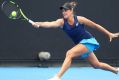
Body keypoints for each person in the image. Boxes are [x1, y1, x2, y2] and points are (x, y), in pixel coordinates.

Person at [32, 1, 119, 80]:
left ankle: (58, 77)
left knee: (69, 53)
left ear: (71, 11)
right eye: (62, 11)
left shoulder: (80, 19)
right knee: (96, 65)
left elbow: (95, 25)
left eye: (66, 10)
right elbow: (49, 24)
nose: (63, 12)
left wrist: (109, 33)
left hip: (88, 41)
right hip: (81, 45)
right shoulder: (61, 22)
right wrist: (38, 24)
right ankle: (115, 70)